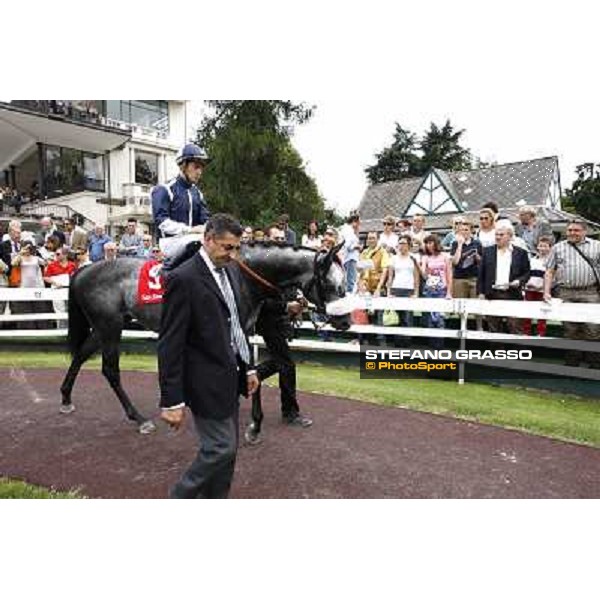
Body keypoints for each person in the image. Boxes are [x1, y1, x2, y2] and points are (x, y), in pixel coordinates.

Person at [158, 214, 259, 499]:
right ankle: (180, 497)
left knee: (229, 454)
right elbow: (170, 343)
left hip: (231, 379)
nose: (234, 254)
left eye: (237, 247)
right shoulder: (183, 278)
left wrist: (249, 367)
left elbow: (236, 324)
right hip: (203, 383)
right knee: (220, 449)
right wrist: (171, 400)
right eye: (228, 247)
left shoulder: (230, 271)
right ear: (209, 240)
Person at [544, 220, 600, 367]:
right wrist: (546, 292)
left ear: (584, 231)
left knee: (593, 329)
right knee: (570, 329)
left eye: (576, 230)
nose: (572, 233)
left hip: (590, 292)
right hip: (566, 293)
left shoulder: (597, 246)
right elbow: (549, 271)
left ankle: (594, 363)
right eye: (569, 230)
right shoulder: (558, 247)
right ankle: (572, 362)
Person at [253, 295, 313, 428]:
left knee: (280, 363)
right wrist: (287, 306)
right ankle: (290, 413)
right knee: (287, 365)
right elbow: (263, 301)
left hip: (278, 323)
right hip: (269, 323)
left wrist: (297, 302)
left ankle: (250, 376)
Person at [151, 143, 211, 260]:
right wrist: (190, 230)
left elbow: (206, 220)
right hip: (169, 243)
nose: (199, 172)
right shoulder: (164, 189)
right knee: (195, 242)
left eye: (201, 168)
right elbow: (161, 222)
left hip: (193, 240)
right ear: (183, 166)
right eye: (196, 167)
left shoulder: (198, 193)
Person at [477, 223, 530, 334]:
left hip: (513, 294)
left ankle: (517, 351)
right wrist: (481, 293)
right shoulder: (487, 251)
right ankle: (496, 351)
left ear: (510, 236)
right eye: (496, 234)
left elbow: (526, 273)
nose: (498, 237)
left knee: (515, 327)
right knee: (494, 329)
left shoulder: (521, 253)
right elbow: (481, 274)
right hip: (492, 295)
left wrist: (519, 281)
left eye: (501, 234)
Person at [420, 234, 452, 339]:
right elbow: (424, 275)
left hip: (442, 289)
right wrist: (420, 266)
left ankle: (440, 345)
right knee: (430, 317)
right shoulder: (426, 257)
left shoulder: (445, 256)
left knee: (440, 317)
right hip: (430, 288)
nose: (428, 245)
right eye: (427, 243)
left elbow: (449, 274)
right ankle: (432, 344)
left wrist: (449, 292)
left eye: (430, 243)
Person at [523, 236, 553, 337]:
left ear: (550, 248)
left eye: (545, 246)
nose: (542, 248)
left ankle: (541, 333)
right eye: (540, 246)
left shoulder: (551, 262)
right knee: (528, 312)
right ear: (537, 247)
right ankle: (526, 332)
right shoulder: (532, 260)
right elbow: (527, 274)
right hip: (529, 289)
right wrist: (527, 284)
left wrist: (544, 288)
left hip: (542, 291)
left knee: (542, 313)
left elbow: (552, 278)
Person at [340, 213, 361, 293]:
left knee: (349, 280)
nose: (359, 225)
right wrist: (356, 247)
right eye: (358, 223)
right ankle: (349, 297)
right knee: (350, 281)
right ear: (354, 221)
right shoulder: (349, 230)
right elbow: (348, 245)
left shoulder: (348, 230)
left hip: (349, 258)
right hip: (350, 258)